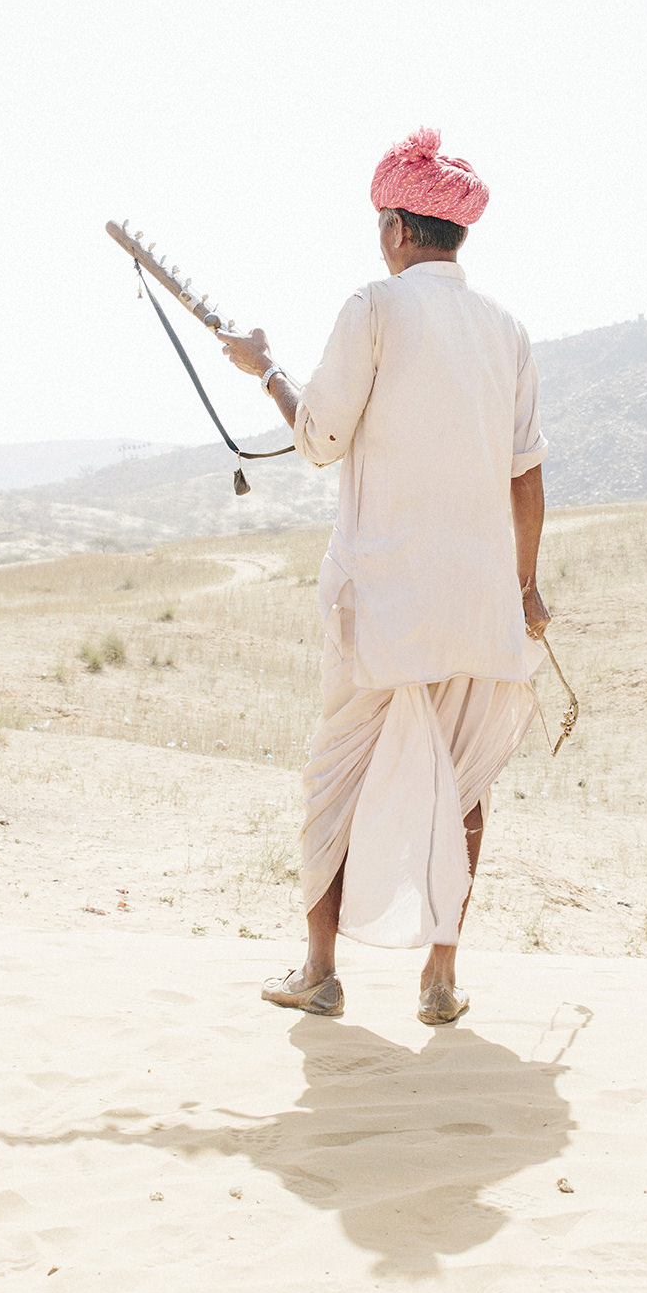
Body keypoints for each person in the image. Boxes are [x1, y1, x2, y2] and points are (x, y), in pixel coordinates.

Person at [217, 127, 550, 1026]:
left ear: (402, 228)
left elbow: (320, 440)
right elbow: (527, 475)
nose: (380, 237)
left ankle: (320, 970)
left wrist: (265, 370)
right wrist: (527, 589)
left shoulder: (373, 307)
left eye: (381, 222)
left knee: (340, 777)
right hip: (480, 603)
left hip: (382, 599)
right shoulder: (507, 332)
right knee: (463, 782)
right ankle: (439, 977)